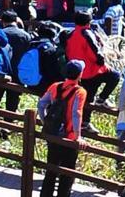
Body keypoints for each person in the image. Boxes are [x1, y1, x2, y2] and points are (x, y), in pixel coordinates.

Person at [37, 62, 88, 197]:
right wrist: (78, 136)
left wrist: (45, 122)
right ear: (80, 74)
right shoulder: (79, 91)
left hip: (53, 134)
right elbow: (76, 113)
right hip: (68, 137)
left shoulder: (55, 86)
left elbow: (41, 104)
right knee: (67, 173)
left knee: (51, 169)